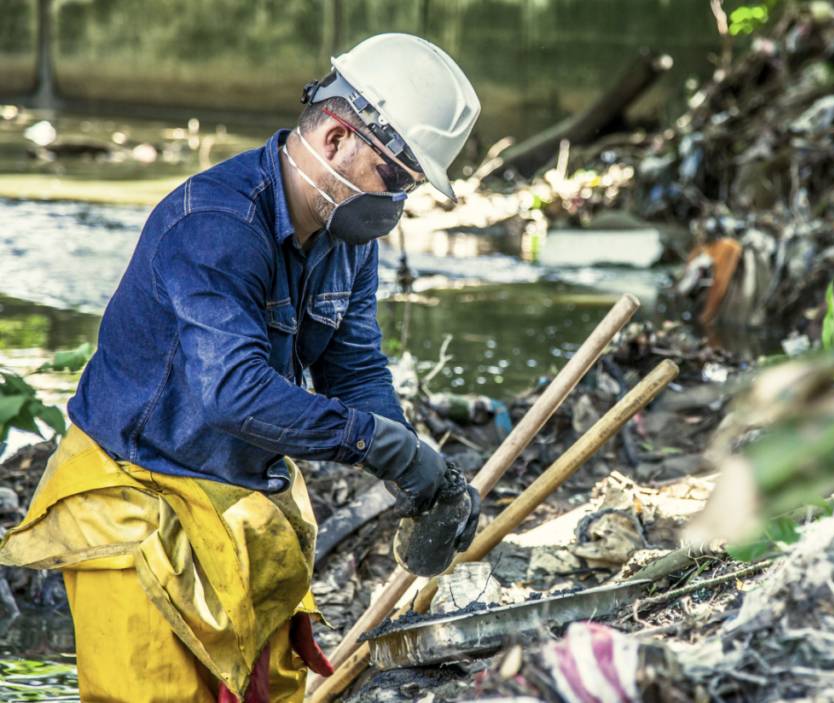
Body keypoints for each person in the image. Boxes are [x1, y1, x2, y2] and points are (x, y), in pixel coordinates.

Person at [0, 33, 481, 702]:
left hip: (241, 496)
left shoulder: (347, 236)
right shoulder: (215, 224)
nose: (397, 203)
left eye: (411, 187)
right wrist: (382, 445)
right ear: (337, 138)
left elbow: (355, 369)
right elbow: (234, 393)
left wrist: (419, 471)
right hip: (136, 495)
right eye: (395, 179)